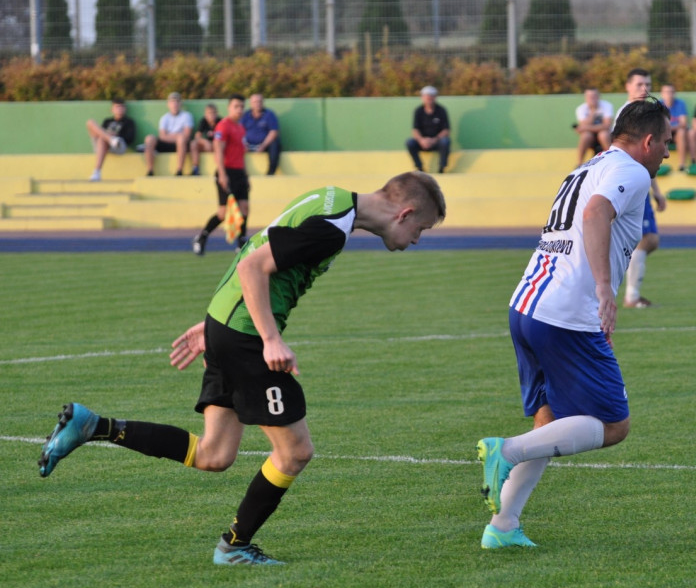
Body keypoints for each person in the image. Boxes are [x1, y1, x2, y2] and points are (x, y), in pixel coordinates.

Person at [37, 173, 447, 566]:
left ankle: (94, 426)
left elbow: (253, 247)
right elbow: (255, 266)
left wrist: (216, 322)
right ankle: (235, 545)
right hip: (247, 336)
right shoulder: (333, 227)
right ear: (405, 213)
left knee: (214, 454)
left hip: (230, 325)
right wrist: (269, 338)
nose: (416, 240)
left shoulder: (332, 197)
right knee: (295, 451)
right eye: (421, 230)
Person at [474, 99, 671, 549]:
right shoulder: (632, 171)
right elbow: (594, 213)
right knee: (614, 425)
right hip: (566, 315)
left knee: (550, 421)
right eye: (665, 142)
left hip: (526, 305)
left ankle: (503, 527)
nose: (666, 153)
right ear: (646, 141)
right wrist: (605, 290)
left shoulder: (587, 166)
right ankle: (504, 451)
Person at [616, 68, 666, 309]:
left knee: (649, 240)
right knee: (644, 239)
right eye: (638, 84)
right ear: (627, 87)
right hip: (631, 184)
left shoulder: (644, 116)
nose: (643, 89)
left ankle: (630, 293)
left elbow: (647, 156)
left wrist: (655, 190)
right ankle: (632, 297)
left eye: (647, 84)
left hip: (640, 182)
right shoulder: (627, 117)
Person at [191, 94, 249, 255]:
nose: (239, 109)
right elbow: (218, 150)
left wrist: (245, 174)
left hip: (239, 173)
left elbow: (241, 154)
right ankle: (202, 237)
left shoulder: (240, 127)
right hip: (227, 172)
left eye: (242, 106)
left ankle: (241, 243)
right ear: (229, 107)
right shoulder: (224, 125)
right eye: (236, 106)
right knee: (223, 213)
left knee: (244, 208)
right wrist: (222, 174)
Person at [143, 92, 195, 177]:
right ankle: (150, 170)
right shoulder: (164, 118)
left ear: (180, 103)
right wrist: (177, 136)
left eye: (177, 101)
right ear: (168, 104)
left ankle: (179, 170)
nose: (175, 104)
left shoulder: (187, 116)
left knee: (181, 139)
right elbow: (162, 136)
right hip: (166, 144)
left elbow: (187, 135)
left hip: (181, 144)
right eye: (172, 102)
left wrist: (174, 137)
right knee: (149, 139)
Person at [85, 97, 136, 182]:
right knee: (90, 122)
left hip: (119, 144)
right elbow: (100, 132)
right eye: (117, 107)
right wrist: (109, 136)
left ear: (125, 109)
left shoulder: (129, 122)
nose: (119, 109)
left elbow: (130, 138)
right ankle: (110, 139)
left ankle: (97, 172)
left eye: (121, 107)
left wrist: (117, 135)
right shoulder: (107, 121)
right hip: (104, 144)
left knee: (103, 139)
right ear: (112, 109)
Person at [405, 86, 451, 174]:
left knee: (445, 141)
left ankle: (442, 168)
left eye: (431, 96)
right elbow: (415, 130)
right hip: (422, 142)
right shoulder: (418, 111)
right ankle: (419, 168)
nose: (429, 98)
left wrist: (434, 140)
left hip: (437, 141)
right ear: (422, 98)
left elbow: (446, 130)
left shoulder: (441, 110)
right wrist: (422, 140)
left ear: (435, 97)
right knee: (410, 142)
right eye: (426, 96)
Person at [241, 93, 281, 176]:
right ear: (251, 103)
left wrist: (263, 145)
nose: (257, 104)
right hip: (247, 145)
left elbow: (274, 132)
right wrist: (244, 144)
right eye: (255, 102)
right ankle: (242, 173)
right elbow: (239, 131)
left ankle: (270, 173)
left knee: (275, 143)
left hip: (265, 145)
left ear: (263, 102)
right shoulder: (245, 115)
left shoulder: (270, 114)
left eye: (259, 101)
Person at [573, 86, 614, 166]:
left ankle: (612, 159)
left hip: (606, 136)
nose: (592, 99)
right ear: (585, 97)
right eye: (589, 97)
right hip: (590, 138)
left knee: (603, 134)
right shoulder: (581, 109)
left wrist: (585, 127)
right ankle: (579, 163)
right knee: (586, 135)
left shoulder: (607, 106)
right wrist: (592, 113)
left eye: (594, 96)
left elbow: (607, 126)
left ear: (599, 96)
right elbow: (583, 128)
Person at [659, 84, 689, 169]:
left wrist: (669, 127)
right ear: (662, 94)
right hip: (663, 133)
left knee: (682, 132)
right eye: (667, 92)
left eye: (671, 92)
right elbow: (657, 124)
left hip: (676, 133)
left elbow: (683, 123)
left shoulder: (680, 103)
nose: (669, 94)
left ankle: (682, 164)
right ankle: (658, 164)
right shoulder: (658, 104)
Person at [189, 103, 221, 176]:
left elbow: (222, 138)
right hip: (207, 145)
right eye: (209, 113)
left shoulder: (220, 121)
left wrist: (214, 143)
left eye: (213, 113)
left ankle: (221, 169)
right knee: (193, 144)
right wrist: (205, 141)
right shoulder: (203, 121)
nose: (211, 115)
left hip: (218, 145)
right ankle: (195, 169)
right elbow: (197, 136)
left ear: (217, 113)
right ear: (206, 114)